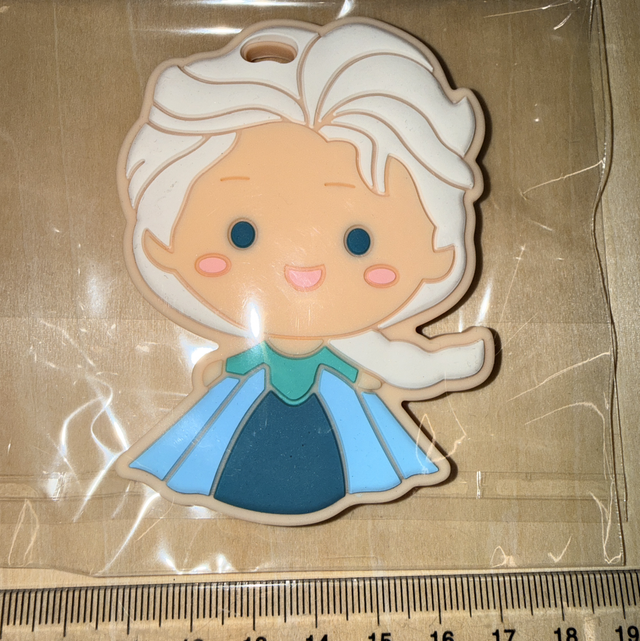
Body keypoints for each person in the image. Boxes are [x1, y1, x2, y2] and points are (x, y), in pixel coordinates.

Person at [115, 19, 494, 525]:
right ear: (164, 239)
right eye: (242, 234)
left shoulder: (355, 347)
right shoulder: (262, 342)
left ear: (436, 250)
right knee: (228, 454)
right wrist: (225, 368)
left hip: (328, 416)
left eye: (358, 241)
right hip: (252, 407)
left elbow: (353, 368)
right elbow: (278, 363)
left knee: (343, 457)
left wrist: (384, 370)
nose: (302, 268)